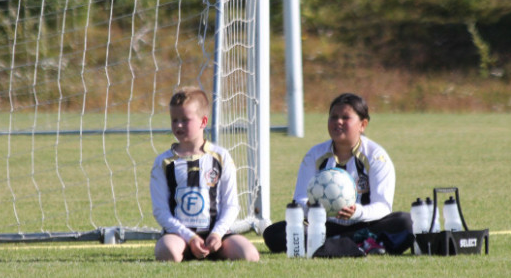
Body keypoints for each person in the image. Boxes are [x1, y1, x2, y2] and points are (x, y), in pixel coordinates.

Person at [262, 93, 414, 255]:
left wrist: (357, 212)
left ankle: (328, 245)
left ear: (363, 124)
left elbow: (383, 207)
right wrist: (311, 208)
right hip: (322, 226)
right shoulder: (314, 155)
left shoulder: (376, 157)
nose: (338, 122)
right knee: (274, 233)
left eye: (345, 118)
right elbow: (299, 200)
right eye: (333, 117)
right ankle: (357, 244)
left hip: (365, 225)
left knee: (406, 222)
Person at [150, 87, 260, 262]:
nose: (178, 125)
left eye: (185, 120)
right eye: (174, 120)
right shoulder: (163, 162)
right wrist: (190, 237)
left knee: (249, 255)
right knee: (167, 252)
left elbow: (231, 205)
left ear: (203, 121)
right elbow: (160, 212)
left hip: (217, 235)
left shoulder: (221, 157)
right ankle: (186, 250)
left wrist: (217, 234)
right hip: (180, 237)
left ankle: (214, 249)